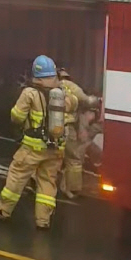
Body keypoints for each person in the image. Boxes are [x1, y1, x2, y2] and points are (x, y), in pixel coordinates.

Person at [0, 55, 77, 230]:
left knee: (17, 175)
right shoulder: (63, 95)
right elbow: (74, 104)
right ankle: (43, 221)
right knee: (48, 182)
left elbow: (17, 117)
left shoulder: (29, 93)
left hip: (33, 147)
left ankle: (3, 209)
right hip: (56, 148)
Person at [57, 67, 99, 198]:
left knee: (46, 156)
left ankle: (34, 182)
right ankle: (72, 189)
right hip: (67, 128)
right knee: (74, 158)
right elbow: (88, 101)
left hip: (50, 128)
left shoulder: (50, 87)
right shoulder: (72, 87)